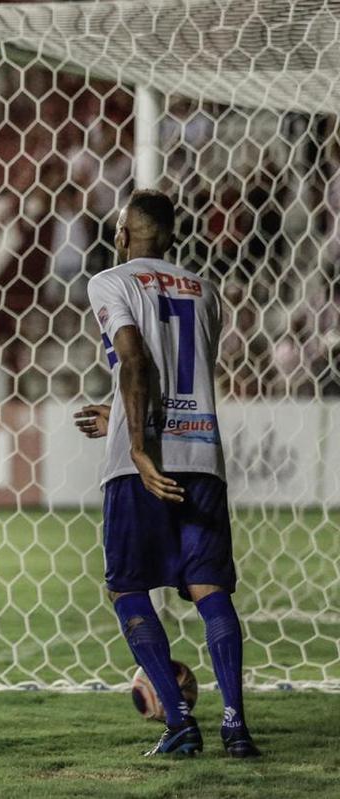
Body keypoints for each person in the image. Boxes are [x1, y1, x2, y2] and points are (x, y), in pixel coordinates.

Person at [75, 190, 259, 758]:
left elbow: (136, 359)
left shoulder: (110, 280)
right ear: (173, 237)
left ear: (121, 233)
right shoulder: (207, 291)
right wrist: (122, 418)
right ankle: (235, 726)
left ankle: (179, 723)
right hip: (202, 454)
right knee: (210, 589)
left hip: (143, 465)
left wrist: (134, 445)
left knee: (128, 587)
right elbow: (181, 381)